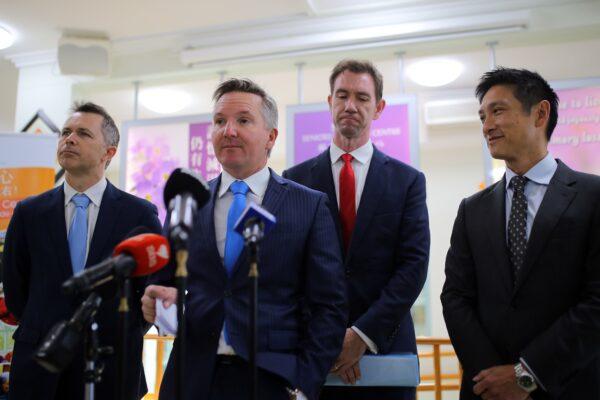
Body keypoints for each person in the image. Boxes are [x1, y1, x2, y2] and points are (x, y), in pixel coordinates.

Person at [142, 78, 347, 400]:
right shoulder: (188, 201)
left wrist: (305, 383)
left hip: (272, 378)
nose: (229, 130)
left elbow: (329, 306)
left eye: (243, 120)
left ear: (271, 137)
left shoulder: (307, 205)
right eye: (220, 121)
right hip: (191, 377)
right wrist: (157, 296)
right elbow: (164, 283)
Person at [441, 67, 600, 399]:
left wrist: (526, 375)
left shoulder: (592, 196)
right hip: (487, 390)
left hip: (569, 384)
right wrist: (493, 379)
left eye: (498, 111)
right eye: (482, 116)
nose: (486, 126)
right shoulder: (472, 210)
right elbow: (456, 298)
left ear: (540, 113)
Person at [283, 59, 430, 400]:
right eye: (342, 95)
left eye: (362, 98)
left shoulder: (407, 181)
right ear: (329, 102)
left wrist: (361, 336)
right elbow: (291, 270)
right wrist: (333, 338)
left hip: (385, 349)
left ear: (378, 108)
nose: (351, 106)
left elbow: (413, 266)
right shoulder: (294, 181)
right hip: (317, 355)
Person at [2, 102, 162, 400]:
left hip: (110, 363)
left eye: (83, 133)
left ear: (109, 152)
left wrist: (119, 330)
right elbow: (15, 288)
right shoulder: (29, 213)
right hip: (39, 363)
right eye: (66, 132)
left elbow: (149, 291)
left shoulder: (139, 215)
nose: (69, 139)